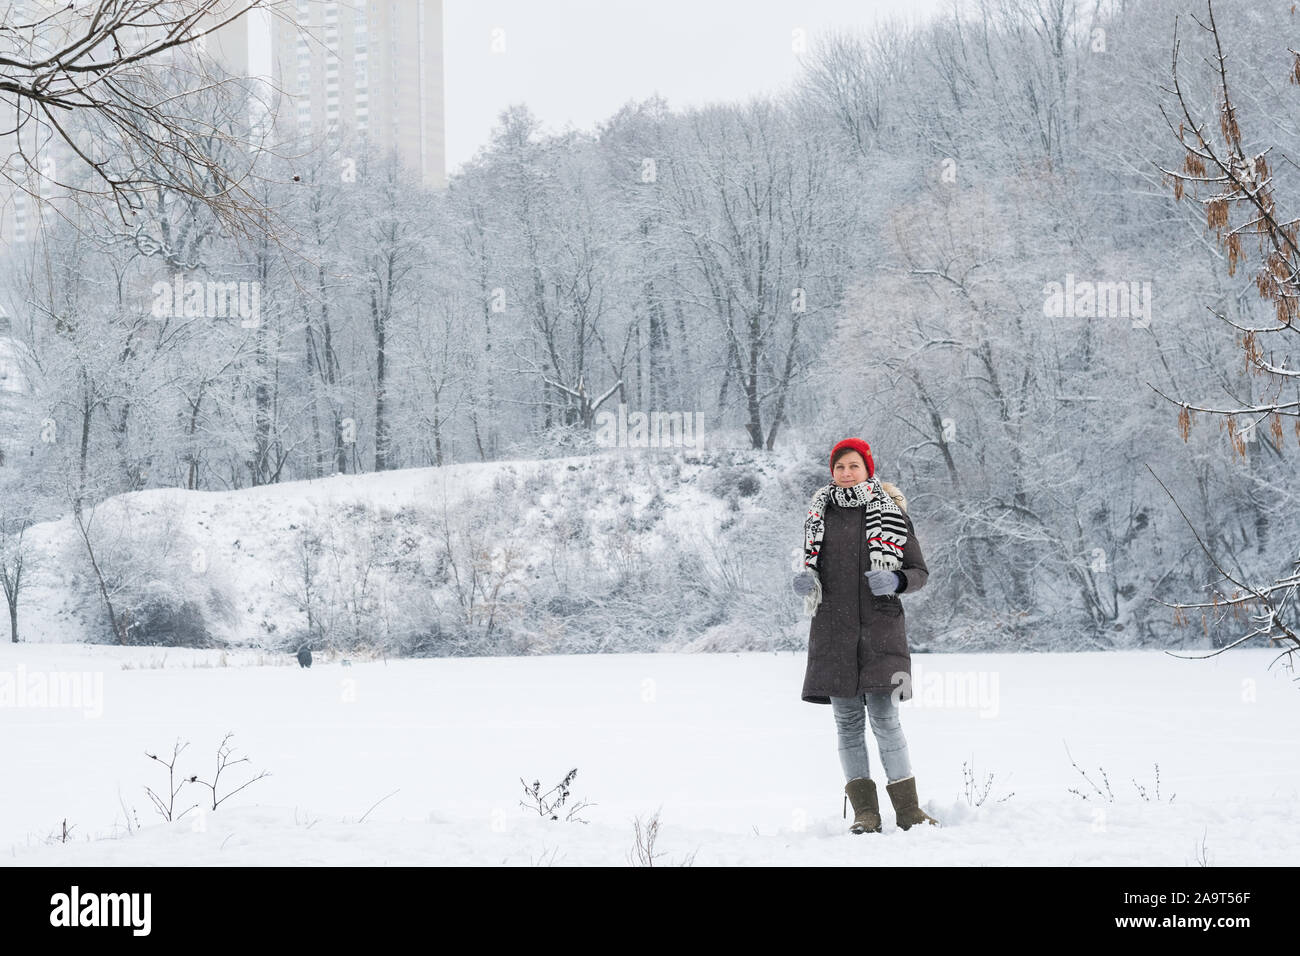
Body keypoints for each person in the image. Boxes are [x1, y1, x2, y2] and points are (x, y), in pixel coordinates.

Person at [792, 437, 939, 835]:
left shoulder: (891, 513)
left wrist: (896, 578)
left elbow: (920, 573)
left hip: (881, 633)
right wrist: (805, 583)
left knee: (887, 721)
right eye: (839, 467)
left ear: (867, 468)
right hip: (833, 633)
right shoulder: (818, 516)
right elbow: (809, 568)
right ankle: (865, 814)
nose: (845, 473)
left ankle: (909, 811)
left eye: (853, 466)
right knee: (847, 725)